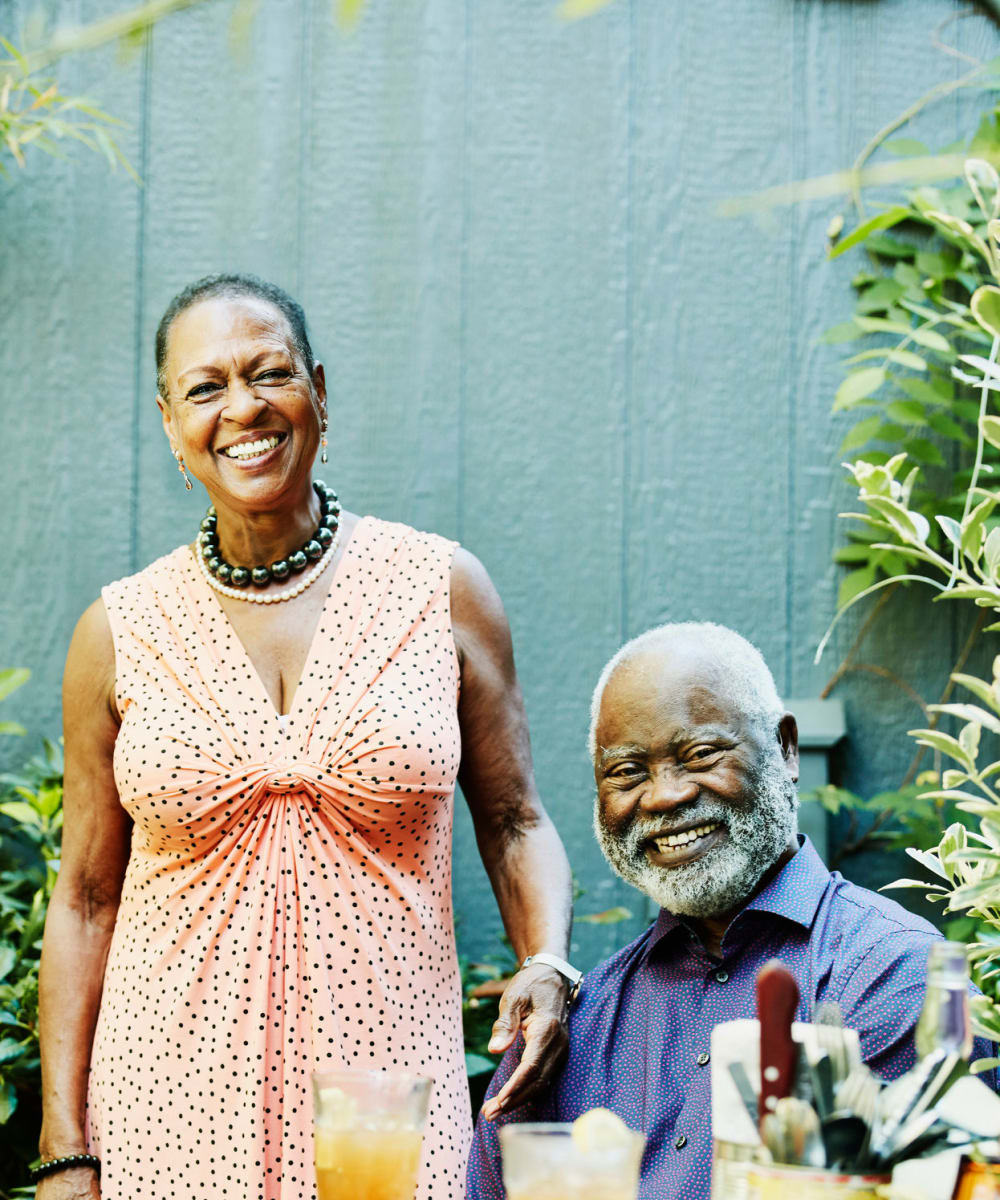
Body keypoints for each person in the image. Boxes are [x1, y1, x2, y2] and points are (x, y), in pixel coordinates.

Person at [35, 274, 576, 1200]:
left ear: (318, 393)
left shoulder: (439, 587)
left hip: (385, 1097)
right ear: (171, 426)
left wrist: (549, 964)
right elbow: (85, 899)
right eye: (206, 388)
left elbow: (517, 821)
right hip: (166, 1101)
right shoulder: (117, 632)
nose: (243, 407)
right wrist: (64, 1145)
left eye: (270, 373)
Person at [467, 621, 996, 1200]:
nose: (665, 795)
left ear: (786, 749)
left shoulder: (895, 975)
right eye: (626, 772)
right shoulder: (574, 1031)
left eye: (700, 754)